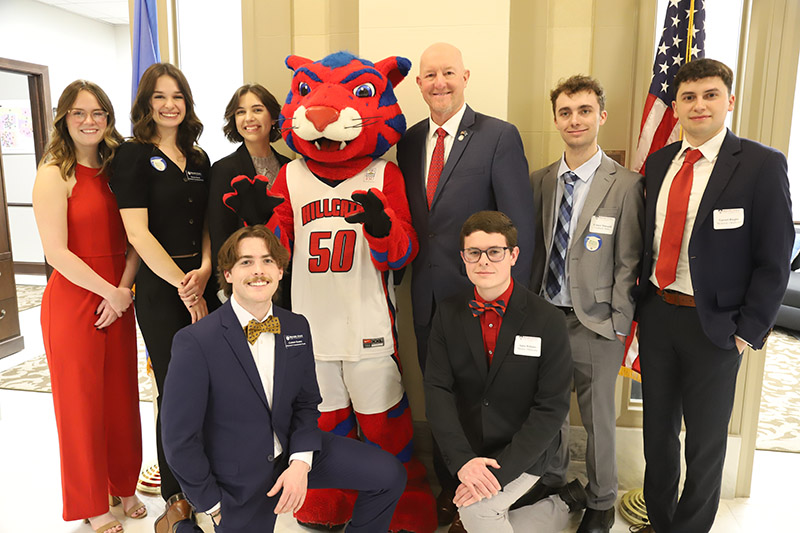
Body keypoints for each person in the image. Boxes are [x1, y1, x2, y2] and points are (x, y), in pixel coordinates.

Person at [161, 225, 407, 533]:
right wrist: (213, 504)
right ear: (227, 274)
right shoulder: (195, 341)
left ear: (280, 271)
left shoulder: (296, 326)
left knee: (389, 475)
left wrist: (301, 462)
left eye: (267, 261)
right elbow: (178, 440)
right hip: (238, 479)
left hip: (292, 450)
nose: (258, 271)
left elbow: (306, 402)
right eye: (246, 262)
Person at [636, 58, 793, 533]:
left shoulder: (761, 165)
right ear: (677, 105)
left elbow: (775, 258)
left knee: (704, 443)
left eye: (709, 95)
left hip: (718, 328)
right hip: (659, 316)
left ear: (729, 100)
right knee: (656, 437)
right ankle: (659, 523)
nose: (698, 104)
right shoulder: (661, 162)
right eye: (688, 96)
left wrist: (748, 331)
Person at [396, 41, 536, 530]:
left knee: (485, 395)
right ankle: (450, 489)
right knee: (439, 393)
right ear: (418, 84)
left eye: (448, 73)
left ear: (466, 76)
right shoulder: (409, 141)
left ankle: (487, 493)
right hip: (426, 296)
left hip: (484, 298)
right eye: (429, 75)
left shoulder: (498, 136)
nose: (439, 82)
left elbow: (518, 226)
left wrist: (517, 302)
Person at [525, 75, 644, 533]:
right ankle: (553, 479)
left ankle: (601, 500)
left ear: (601, 116)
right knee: (548, 409)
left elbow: (628, 259)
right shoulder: (540, 181)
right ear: (556, 119)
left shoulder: (625, 185)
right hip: (545, 318)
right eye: (566, 112)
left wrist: (618, 322)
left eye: (584, 111)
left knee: (598, 421)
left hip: (596, 323)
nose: (575, 120)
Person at [425, 210, 586, 533]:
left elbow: (551, 407)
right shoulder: (447, 313)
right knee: (476, 515)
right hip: (470, 449)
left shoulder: (547, 320)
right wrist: (463, 462)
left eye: (494, 252)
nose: (484, 261)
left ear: (513, 255)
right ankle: (563, 505)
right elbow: (437, 390)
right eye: (474, 252)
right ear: (464, 258)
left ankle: (559, 504)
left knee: (475, 514)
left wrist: (498, 475)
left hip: (524, 449)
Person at [110, 62, 220, 532]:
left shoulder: (199, 159)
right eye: (160, 96)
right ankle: (176, 493)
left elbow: (209, 226)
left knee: (210, 387)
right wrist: (183, 284)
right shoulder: (133, 157)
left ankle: (208, 478)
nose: (169, 104)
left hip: (203, 279)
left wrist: (207, 271)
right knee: (174, 390)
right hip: (161, 287)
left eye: (177, 96)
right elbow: (137, 232)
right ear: (146, 103)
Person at [32, 80, 145, 533]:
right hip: (76, 298)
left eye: (97, 112)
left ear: (109, 119)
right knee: (80, 406)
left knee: (121, 399)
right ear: (64, 118)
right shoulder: (52, 174)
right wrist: (109, 293)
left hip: (119, 293)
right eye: (79, 113)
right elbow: (55, 252)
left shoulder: (120, 169)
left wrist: (123, 291)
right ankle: (90, 500)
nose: (89, 121)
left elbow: (136, 236)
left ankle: (124, 484)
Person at [207, 83, 292, 303]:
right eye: (240, 112)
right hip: (246, 284)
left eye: (257, 110)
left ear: (273, 118)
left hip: (289, 282)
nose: (248, 118)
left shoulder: (289, 167)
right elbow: (220, 234)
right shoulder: (224, 169)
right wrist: (226, 289)